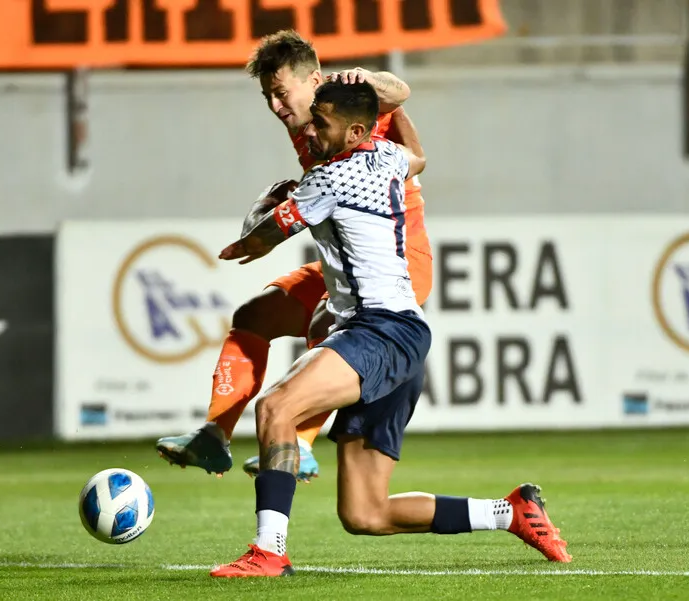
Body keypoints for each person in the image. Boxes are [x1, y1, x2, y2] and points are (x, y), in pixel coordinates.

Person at [209, 80, 572, 577]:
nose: (310, 129)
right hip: (404, 335)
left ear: (355, 130)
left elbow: (253, 244)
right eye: (312, 117)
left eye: (323, 123)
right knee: (365, 514)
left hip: (378, 330)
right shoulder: (384, 156)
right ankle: (511, 512)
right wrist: (397, 108)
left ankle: (268, 552)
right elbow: (417, 156)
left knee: (276, 407)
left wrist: (264, 203)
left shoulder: (328, 180)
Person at [155, 29, 433, 481]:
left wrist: (370, 83)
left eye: (282, 92)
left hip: (401, 264)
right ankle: (214, 436)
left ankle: (300, 443)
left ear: (315, 80)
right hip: (344, 263)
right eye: (268, 95)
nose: (275, 106)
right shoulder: (311, 132)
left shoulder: (348, 106)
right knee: (253, 317)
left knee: (327, 320)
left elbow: (398, 93)